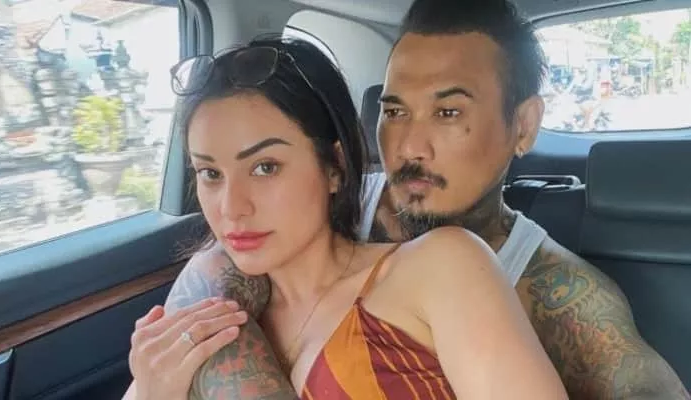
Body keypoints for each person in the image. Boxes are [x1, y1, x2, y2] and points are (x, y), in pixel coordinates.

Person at [143, 1, 691, 399]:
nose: (408, 146)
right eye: (395, 111)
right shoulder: (298, 218)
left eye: (448, 112)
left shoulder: (564, 296)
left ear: (523, 126)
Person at [123, 35, 567, 400]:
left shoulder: (440, 269)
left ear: (334, 166)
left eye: (265, 167)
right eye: (210, 173)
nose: (230, 207)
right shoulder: (205, 305)